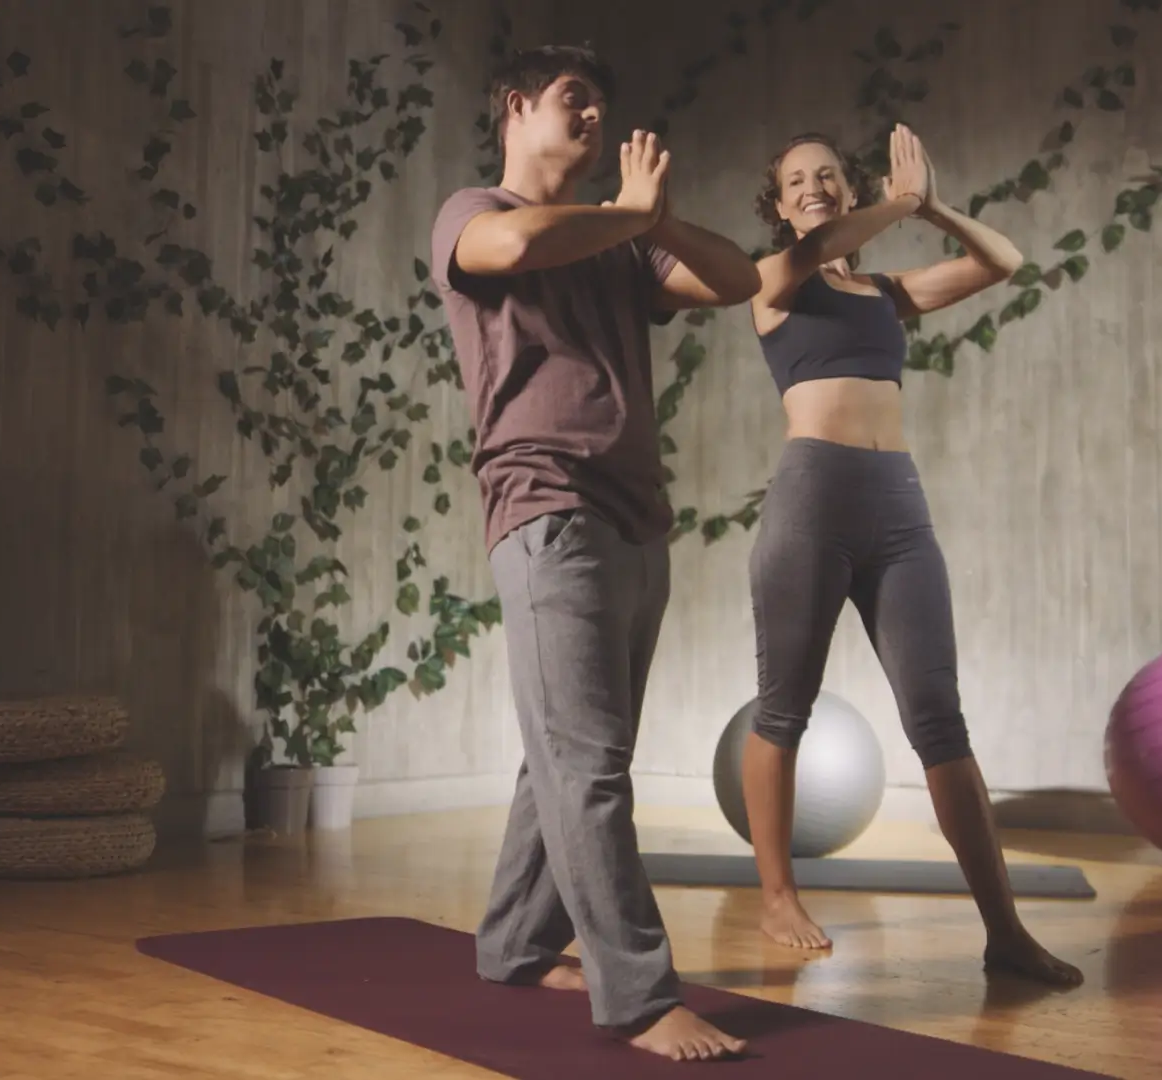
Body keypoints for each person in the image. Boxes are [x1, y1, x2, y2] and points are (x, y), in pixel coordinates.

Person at [428, 45, 762, 1062]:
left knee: (567, 754)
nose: (594, 119)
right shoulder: (469, 209)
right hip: (546, 505)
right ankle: (639, 995)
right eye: (575, 100)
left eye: (603, 107)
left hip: (633, 515)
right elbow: (511, 245)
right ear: (517, 107)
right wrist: (628, 214)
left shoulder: (621, 246)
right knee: (590, 762)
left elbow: (740, 278)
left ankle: (517, 943)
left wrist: (653, 222)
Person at [737, 123, 1085, 988]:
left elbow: (1000, 260)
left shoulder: (884, 292)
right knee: (784, 708)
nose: (814, 186)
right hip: (812, 500)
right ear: (780, 208)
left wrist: (929, 205)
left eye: (828, 176)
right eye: (797, 181)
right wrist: (896, 205)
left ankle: (1004, 931)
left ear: (848, 190)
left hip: (899, 510)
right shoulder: (768, 281)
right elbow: (817, 252)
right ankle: (776, 893)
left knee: (940, 720)